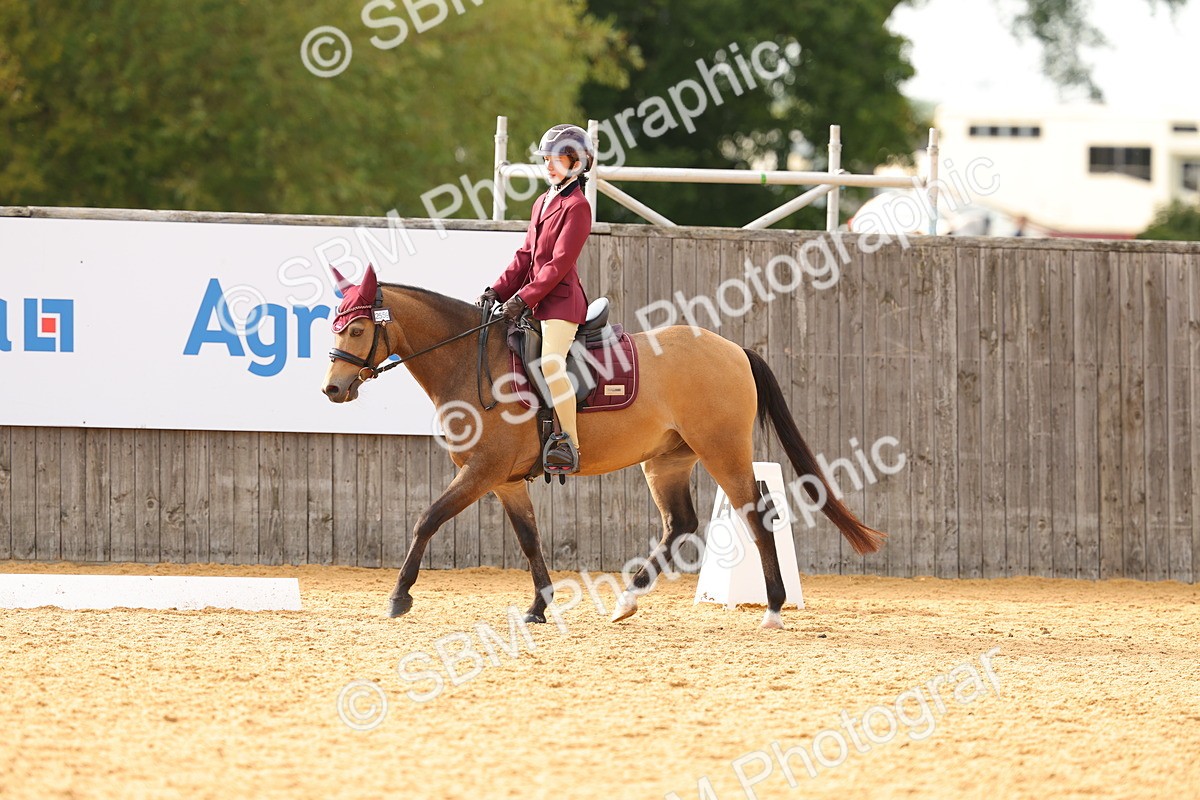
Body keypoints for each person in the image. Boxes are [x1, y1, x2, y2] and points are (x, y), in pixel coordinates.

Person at [476, 124, 593, 475]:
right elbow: (525, 256)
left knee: (552, 364)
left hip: (560, 305)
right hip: (534, 303)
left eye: (556, 160)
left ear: (577, 163)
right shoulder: (542, 202)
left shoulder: (578, 206)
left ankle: (568, 443)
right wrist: (497, 291)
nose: (549, 166)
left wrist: (521, 300)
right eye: (546, 160)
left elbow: (558, 265)